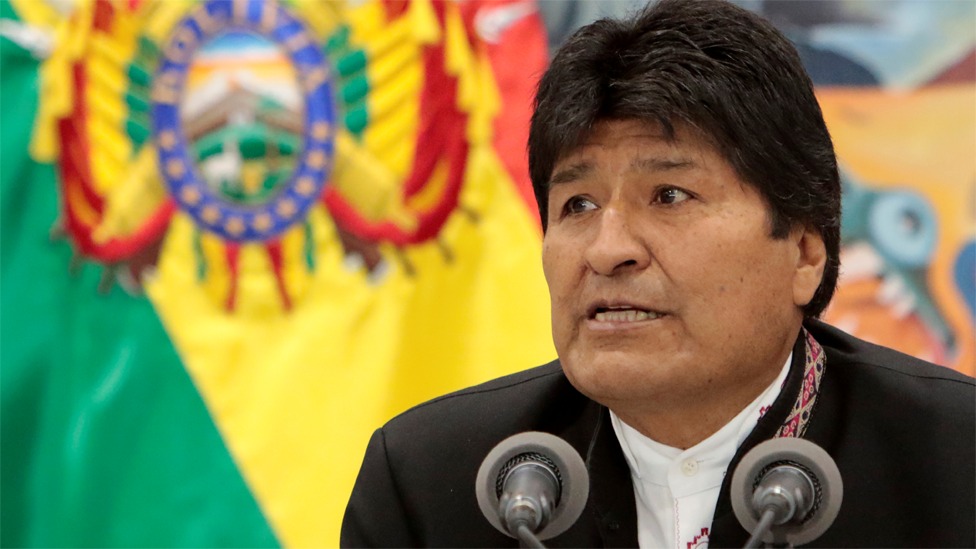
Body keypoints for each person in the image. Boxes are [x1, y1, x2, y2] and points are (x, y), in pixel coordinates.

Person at [340, 0, 976, 547]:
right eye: (577, 205)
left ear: (805, 254)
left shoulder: (956, 464)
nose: (607, 250)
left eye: (670, 195)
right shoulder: (433, 483)